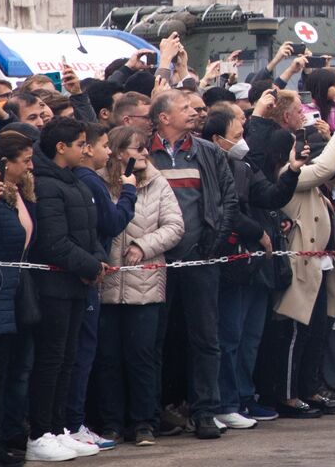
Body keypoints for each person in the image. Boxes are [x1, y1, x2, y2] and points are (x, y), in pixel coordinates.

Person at [251, 90, 335, 418]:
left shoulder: (298, 175)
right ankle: (289, 395)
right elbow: (324, 169)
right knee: (294, 335)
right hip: (299, 267)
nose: (303, 151)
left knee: (316, 332)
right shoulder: (287, 176)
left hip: (317, 265)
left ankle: (308, 388)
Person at [147, 89, 239, 440]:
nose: (193, 112)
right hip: (156, 262)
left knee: (206, 339)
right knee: (156, 340)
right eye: (184, 107)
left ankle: (205, 411)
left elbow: (227, 200)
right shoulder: (145, 152)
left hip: (200, 259)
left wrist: (210, 245)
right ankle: (153, 412)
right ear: (163, 117)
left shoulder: (209, 152)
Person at [204, 102, 302, 428]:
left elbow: (269, 196)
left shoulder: (244, 164)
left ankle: (244, 398)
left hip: (254, 264)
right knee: (228, 337)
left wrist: (292, 174)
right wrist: (256, 231)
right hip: (230, 261)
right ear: (218, 139)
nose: (243, 138)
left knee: (250, 338)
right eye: (238, 132)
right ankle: (225, 401)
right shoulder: (211, 164)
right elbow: (227, 209)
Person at [94, 126, 184, 448]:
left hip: (145, 285)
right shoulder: (98, 182)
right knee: (108, 359)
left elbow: (175, 225)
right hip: (106, 286)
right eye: (138, 149)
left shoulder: (157, 183)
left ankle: (145, 423)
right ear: (119, 153)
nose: (146, 154)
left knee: (142, 357)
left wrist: (143, 246)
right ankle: (111, 424)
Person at [26, 118, 109, 463]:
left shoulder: (76, 181)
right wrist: (90, 266)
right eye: (80, 144)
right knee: (51, 360)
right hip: (54, 287)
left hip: (77, 284)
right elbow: (55, 242)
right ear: (61, 147)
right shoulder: (47, 185)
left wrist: (98, 261)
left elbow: (91, 233)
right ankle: (39, 432)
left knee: (67, 359)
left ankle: (59, 428)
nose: (86, 149)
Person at [63, 124, 139, 452]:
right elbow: (111, 222)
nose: (109, 153)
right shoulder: (90, 179)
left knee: (80, 352)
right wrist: (129, 192)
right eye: (103, 146)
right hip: (84, 275)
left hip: (88, 272)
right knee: (81, 352)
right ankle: (71, 422)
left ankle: (71, 421)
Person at [0, 131, 36, 467]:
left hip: (5, 298)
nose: (31, 166)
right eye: (26, 161)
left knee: (2, 376)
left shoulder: (8, 196)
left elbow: (22, 237)